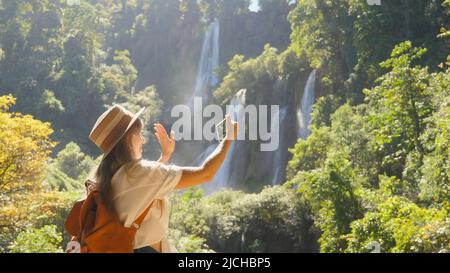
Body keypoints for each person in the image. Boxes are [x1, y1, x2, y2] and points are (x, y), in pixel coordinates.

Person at [87, 104, 238, 253]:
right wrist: (228, 139)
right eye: (139, 134)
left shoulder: (105, 176)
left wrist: (164, 157)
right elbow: (206, 173)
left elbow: (139, 192)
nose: (143, 140)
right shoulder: (139, 173)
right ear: (128, 139)